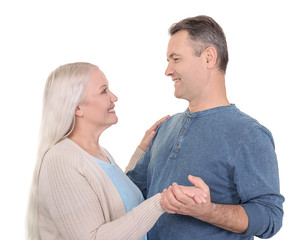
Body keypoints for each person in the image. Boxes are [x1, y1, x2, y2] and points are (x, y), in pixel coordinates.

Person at [127, 15, 285, 239]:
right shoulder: (165, 128)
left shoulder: (249, 134)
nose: (168, 70)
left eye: (176, 59)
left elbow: (270, 217)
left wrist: (207, 211)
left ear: (209, 58)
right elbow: (130, 195)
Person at [25, 62, 206, 240]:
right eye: (103, 91)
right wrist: (161, 202)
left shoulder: (99, 154)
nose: (114, 97)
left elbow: (118, 203)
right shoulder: (61, 160)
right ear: (77, 108)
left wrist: (142, 151)